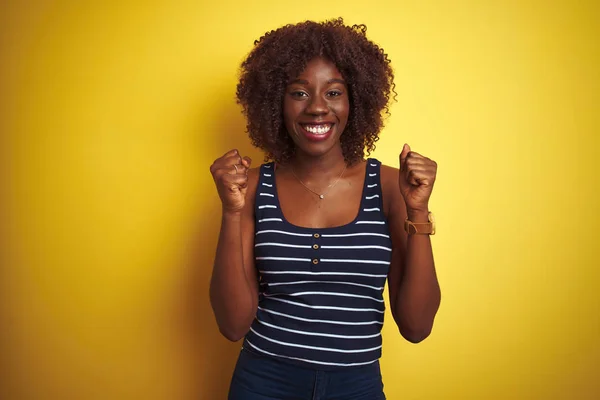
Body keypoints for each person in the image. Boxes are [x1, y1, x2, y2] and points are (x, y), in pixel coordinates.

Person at [209, 18, 441, 400]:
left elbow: (416, 327)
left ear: (356, 101)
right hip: (263, 383)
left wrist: (418, 211)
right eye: (299, 93)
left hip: (357, 386)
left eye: (333, 93)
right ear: (275, 103)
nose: (317, 108)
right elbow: (232, 325)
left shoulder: (390, 187)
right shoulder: (250, 187)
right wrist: (231, 211)